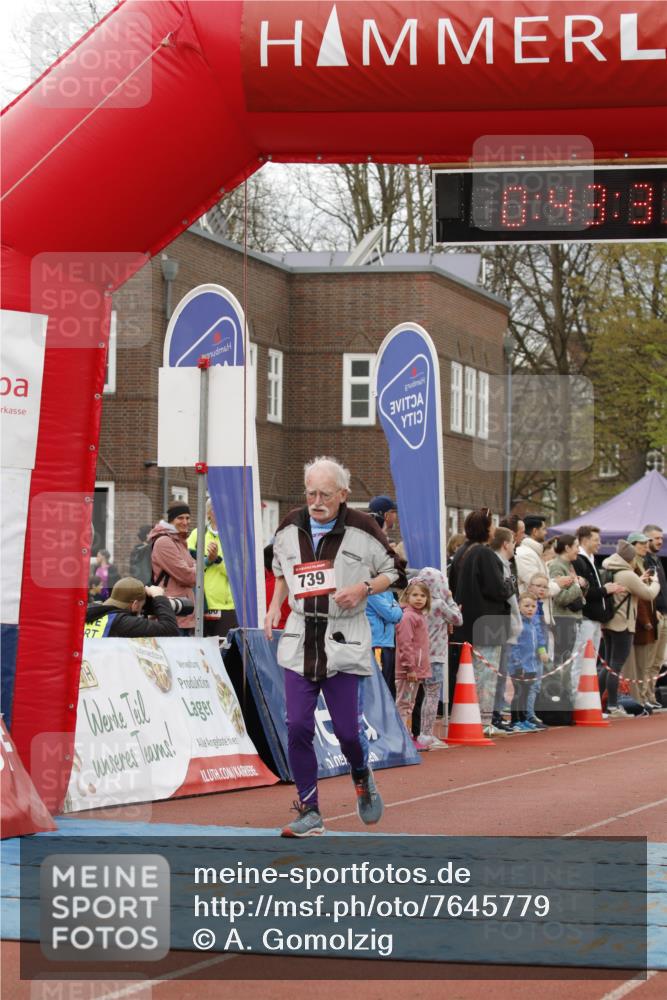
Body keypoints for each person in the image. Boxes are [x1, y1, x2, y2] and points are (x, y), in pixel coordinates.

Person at [264, 456, 399, 838]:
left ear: (343, 494)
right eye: (311, 494)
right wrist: (274, 607)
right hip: (300, 636)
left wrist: (363, 588)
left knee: (348, 733)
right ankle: (309, 810)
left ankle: (361, 773)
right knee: (297, 726)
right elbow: (281, 572)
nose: (316, 502)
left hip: (344, 636)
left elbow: (394, 571)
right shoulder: (289, 526)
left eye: (325, 494)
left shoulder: (364, 528)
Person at [454, 525, 518, 731]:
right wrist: (511, 583)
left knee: (474, 673)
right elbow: (497, 589)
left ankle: (474, 718)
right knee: (486, 674)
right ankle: (483, 721)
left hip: (471, 622)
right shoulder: (486, 555)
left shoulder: (464, 552)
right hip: (490, 624)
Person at [599, 539, 661, 716]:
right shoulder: (627, 573)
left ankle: (598, 702)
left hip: (609, 622)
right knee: (616, 666)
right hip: (623, 624)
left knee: (608, 665)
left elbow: (627, 587)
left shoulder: (610, 568)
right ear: (630, 559)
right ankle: (613, 706)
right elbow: (648, 594)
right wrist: (655, 582)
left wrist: (638, 580)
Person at [412, 566, 462, 749]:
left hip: (415, 655)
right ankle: (426, 734)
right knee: (432, 695)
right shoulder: (440, 604)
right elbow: (458, 619)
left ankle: (411, 732)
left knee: (411, 697)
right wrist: (450, 598)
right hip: (435, 656)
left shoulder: (413, 604)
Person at [574, 525, 627, 669]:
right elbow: (583, 592)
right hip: (586, 619)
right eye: (596, 540)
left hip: (595, 619)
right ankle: (575, 686)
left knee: (590, 663)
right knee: (580, 662)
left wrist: (607, 590)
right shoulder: (578, 560)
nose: (600, 543)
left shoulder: (590, 559)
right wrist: (605, 590)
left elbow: (594, 589)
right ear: (585, 540)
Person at [188, 499, 237, 637]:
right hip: (200, 603)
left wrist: (216, 560)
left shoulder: (233, 536)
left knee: (223, 647)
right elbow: (188, 565)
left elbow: (236, 572)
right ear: (208, 513)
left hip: (226, 606)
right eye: (216, 508)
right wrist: (207, 560)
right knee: (201, 647)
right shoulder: (197, 534)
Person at [148, 503, 196, 635]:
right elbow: (188, 576)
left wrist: (194, 568)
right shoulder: (164, 542)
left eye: (187, 518)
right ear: (170, 520)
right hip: (172, 615)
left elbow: (190, 570)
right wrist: (198, 568)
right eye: (180, 518)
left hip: (183, 612)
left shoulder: (178, 540)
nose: (185, 522)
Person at [395, 580, 432, 749]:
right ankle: (400, 739)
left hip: (416, 670)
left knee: (409, 704)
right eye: (415, 595)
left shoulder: (419, 616)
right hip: (409, 671)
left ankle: (405, 735)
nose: (419, 599)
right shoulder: (408, 617)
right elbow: (405, 643)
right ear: (407, 596)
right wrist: (410, 667)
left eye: (423, 595)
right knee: (404, 704)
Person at [626, 532, 659, 710]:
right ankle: (637, 699)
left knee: (645, 664)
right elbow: (638, 597)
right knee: (638, 665)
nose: (646, 546)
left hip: (647, 620)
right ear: (632, 545)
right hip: (639, 623)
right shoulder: (632, 566)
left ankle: (642, 697)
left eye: (647, 543)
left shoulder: (642, 563)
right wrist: (645, 619)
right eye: (641, 543)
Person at [84, 578, 179, 638]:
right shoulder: (121, 622)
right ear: (135, 604)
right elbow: (170, 629)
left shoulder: (90, 612)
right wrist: (159, 596)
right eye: (142, 606)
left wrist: (148, 621)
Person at [549, 534, 586, 686]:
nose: (578, 550)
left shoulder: (569, 565)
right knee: (562, 661)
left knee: (568, 662)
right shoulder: (557, 566)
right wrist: (577, 585)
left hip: (570, 618)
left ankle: (565, 693)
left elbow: (577, 594)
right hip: (562, 619)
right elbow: (560, 597)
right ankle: (558, 695)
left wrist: (582, 585)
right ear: (567, 548)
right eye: (576, 546)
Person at [506, 593, 543, 732]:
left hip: (531, 666)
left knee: (525, 693)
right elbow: (514, 646)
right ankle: (515, 721)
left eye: (533, 606)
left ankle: (523, 719)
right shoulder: (518, 625)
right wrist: (517, 664)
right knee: (518, 693)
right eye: (526, 606)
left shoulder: (532, 624)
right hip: (519, 667)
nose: (530, 609)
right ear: (519, 607)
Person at [643, 524, 666, 707]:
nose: (660, 541)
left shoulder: (657, 560)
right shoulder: (644, 561)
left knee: (658, 660)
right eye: (656, 538)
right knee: (649, 659)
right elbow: (645, 590)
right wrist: (653, 610)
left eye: (661, 538)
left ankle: (651, 695)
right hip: (654, 615)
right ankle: (643, 696)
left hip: (664, 615)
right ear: (647, 539)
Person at [366, 587, 402, 697]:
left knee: (385, 686)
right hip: (377, 645)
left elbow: (397, 615)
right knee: (379, 687)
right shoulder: (372, 591)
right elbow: (392, 615)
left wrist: (395, 610)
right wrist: (396, 609)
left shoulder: (388, 591)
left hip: (387, 644)